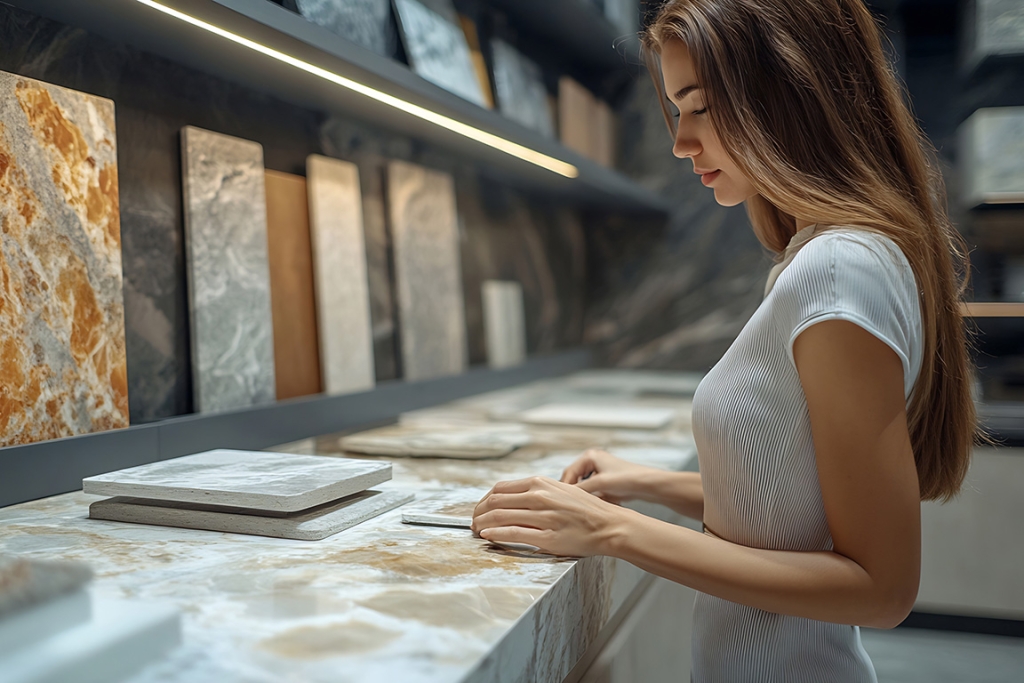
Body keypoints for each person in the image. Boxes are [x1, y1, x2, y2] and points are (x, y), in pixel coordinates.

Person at [471, 0, 980, 680]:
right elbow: (791, 505)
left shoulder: (839, 269)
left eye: (701, 107)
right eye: (678, 110)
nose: (681, 142)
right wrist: (646, 483)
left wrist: (614, 531)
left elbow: (881, 587)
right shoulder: (826, 259)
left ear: (790, 92)